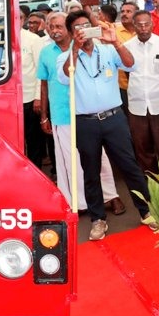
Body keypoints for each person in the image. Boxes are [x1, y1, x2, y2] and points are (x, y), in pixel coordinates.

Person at [58, 10, 154, 240]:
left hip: (113, 118)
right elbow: (64, 76)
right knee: (90, 172)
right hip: (86, 123)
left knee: (130, 166)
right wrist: (75, 49)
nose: (84, 30)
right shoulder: (66, 56)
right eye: (78, 28)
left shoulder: (108, 49)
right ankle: (97, 220)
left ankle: (147, 212)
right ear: (72, 34)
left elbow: (131, 65)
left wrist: (116, 41)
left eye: (86, 25)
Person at [38, 12, 124, 214]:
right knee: (71, 162)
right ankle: (79, 203)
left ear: (70, 29)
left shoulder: (88, 47)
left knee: (99, 158)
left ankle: (112, 196)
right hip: (62, 114)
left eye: (59, 27)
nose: (54, 31)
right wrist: (44, 115)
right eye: (51, 27)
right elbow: (43, 84)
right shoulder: (46, 53)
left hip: (90, 115)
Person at [124, 10, 159, 176]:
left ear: (152, 24)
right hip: (137, 107)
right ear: (134, 26)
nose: (144, 28)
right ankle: (152, 186)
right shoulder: (127, 47)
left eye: (147, 24)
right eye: (139, 25)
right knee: (143, 150)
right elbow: (126, 72)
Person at [21, 16, 48, 171]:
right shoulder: (3, 40)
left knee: (34, 142)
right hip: (11, 99)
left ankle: (35, 171)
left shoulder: (33, 39)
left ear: (21, 19)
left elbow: (40, 70)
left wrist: (38, 97)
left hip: (30, 97)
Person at [115, 1, 137, 108]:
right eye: (122, 11)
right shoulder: (114, 33)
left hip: (140, 85)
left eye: (128, 11)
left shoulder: (143, 32)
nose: (124, 14)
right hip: (121, 87)